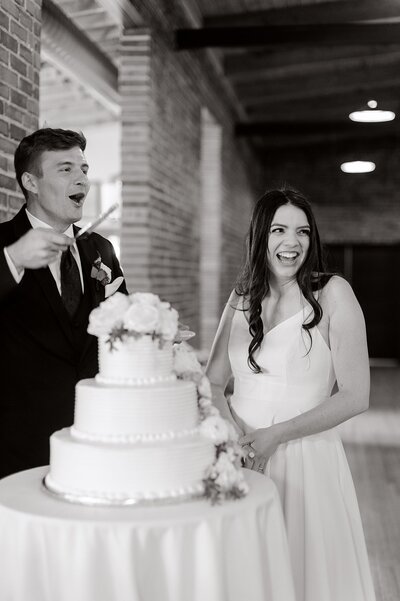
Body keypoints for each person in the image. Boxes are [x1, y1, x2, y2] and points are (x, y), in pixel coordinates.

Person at [206, 188, 376, 601]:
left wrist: (276, 435)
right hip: (242, 457)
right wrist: (233, 436)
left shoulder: (333, 293)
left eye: (302, 232)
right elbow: (212, 380)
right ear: (260, 236)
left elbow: (356, 395)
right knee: (246, 573)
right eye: (279, 230)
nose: (292, 242)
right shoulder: (241, 296)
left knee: (305, 573)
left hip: (305, 458)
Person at [0, 128, 127, 479]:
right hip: (16, 446)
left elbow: (119, 324)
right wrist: (13, 259)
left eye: (84, 169)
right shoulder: (3, 243)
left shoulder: (101, 249)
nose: (82, 180)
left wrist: (148, 333)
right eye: (66, 169)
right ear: (31, 182)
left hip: (94, 439)